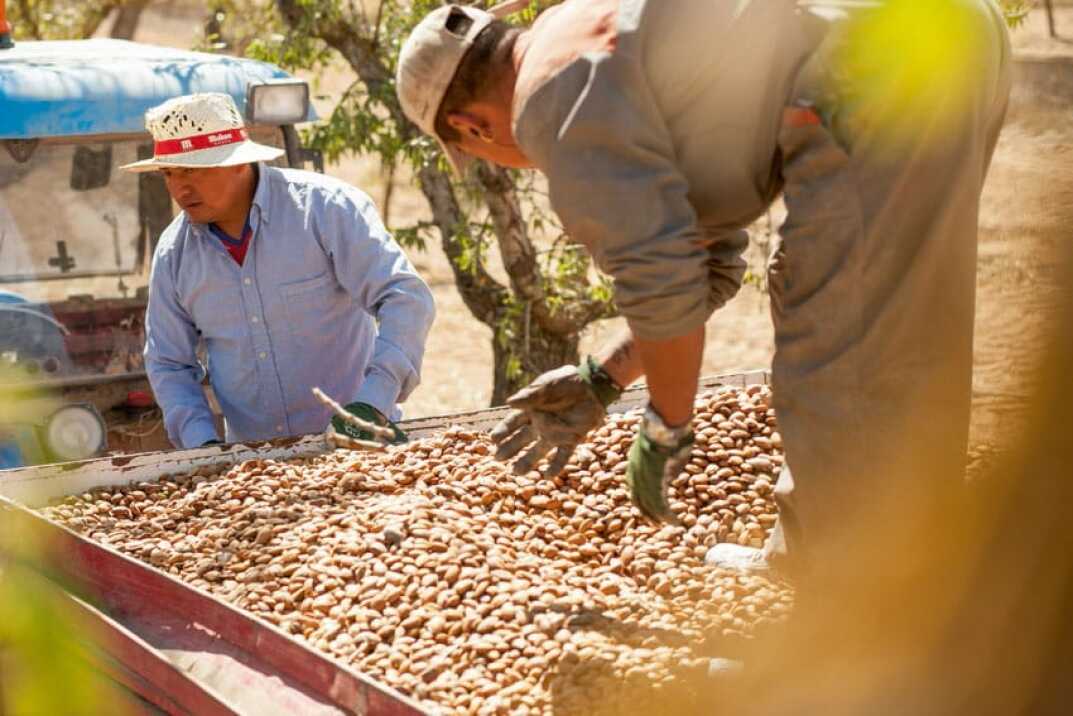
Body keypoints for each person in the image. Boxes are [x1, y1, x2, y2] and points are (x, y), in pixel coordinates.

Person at [395, 0, 1012, 583]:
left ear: (469, 124)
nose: (499, 160)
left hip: (871, 68)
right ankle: (832, 566)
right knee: (885, 322)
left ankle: (847, 642)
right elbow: (701, 266)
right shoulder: (582, 27)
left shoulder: (547, 99)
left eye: (478, 152)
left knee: (839, 355)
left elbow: (662, 287)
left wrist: (666, 426)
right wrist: (604, 377)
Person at [125, 93, 435, 449]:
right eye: (169, 173)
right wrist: (203, 447)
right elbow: (169, 362)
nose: (179, 188)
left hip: (361, 446)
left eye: (193, 170)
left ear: (237, 162)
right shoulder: (174, 253)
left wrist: (372, 403)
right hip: (250, 466)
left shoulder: (326, 210)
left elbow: (406, 299)